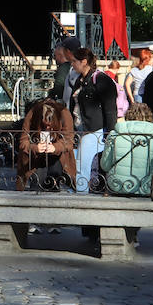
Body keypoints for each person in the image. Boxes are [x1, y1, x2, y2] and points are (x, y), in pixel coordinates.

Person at [67, 48, 118, 193]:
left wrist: (110, 132)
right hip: (81, 129)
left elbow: (110, 109)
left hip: (95, 129)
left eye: (74, 62)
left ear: (84, 62)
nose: (72, 65)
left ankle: (81, 193)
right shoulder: (80, 80)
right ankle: (83, 190)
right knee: (81, 163)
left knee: (83, 164)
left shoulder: (100, 79)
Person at [48, 35, 81, 101]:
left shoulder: (64, 68)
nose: (55, 58)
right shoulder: (81, 64)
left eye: (55, 56)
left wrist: (52, 93)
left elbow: (59, 86)